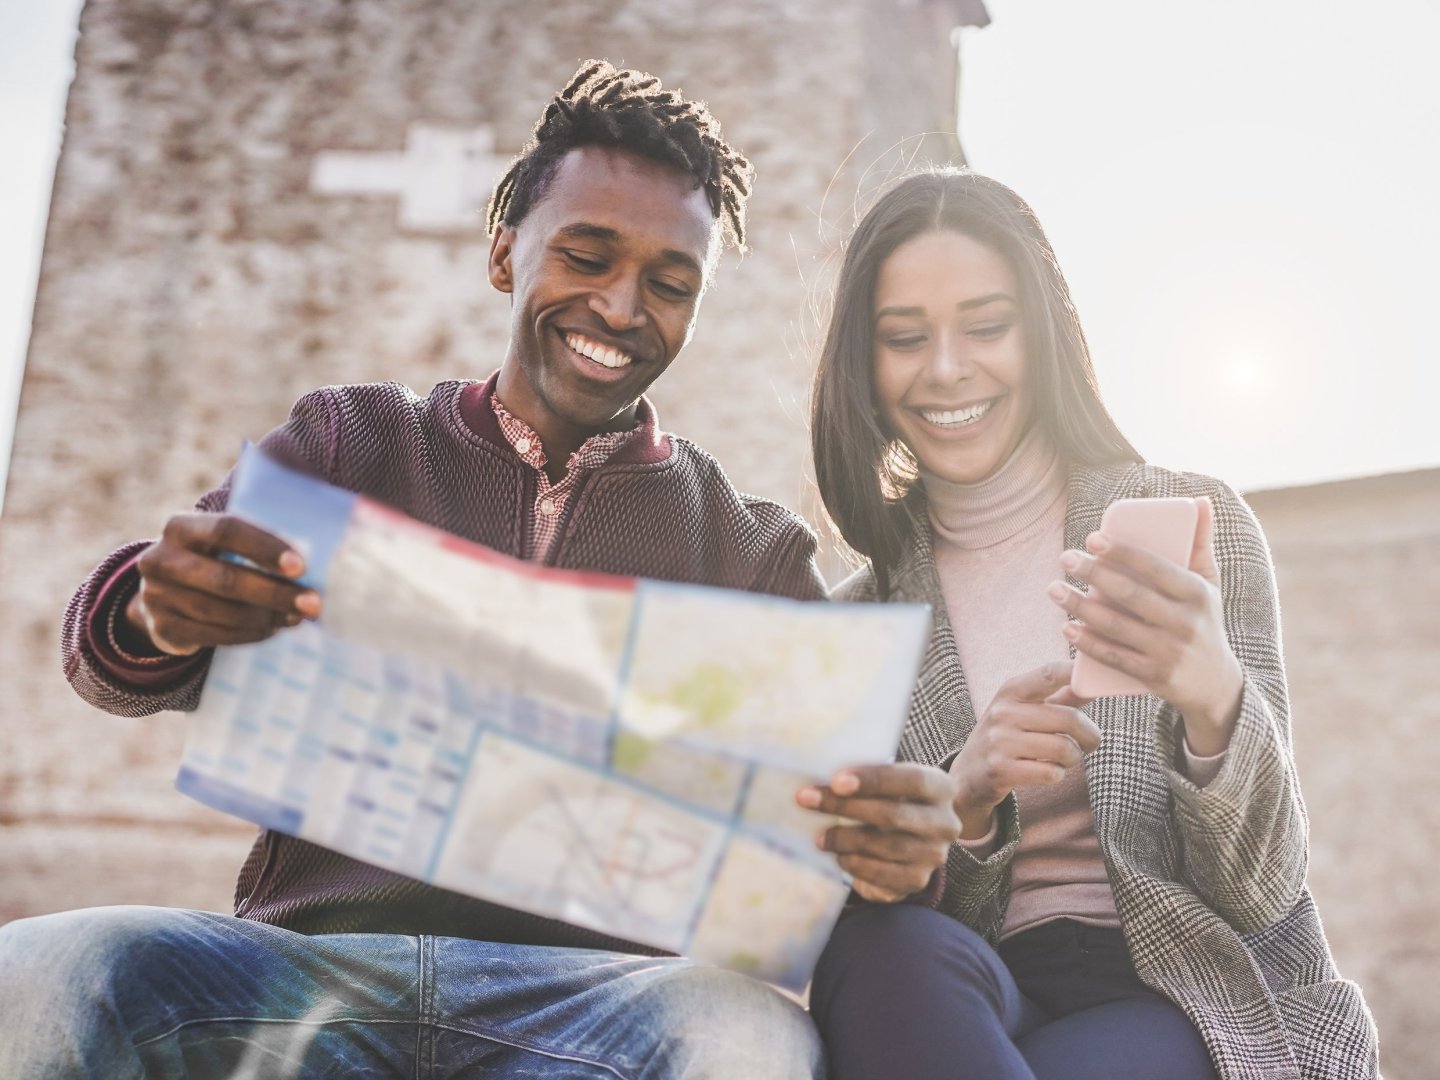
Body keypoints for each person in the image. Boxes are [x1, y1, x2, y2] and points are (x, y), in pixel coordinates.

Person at [0, 60, 961, 1079]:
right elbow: (116, 657)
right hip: (311, 965)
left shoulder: (751, 550)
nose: (624, 307)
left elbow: (842, 840)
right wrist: (161, 609)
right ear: (505, 254)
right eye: (586, 255)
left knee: (750, 1039)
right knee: (48, 972)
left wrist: (892, 850)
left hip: (591, 1005)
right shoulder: (351, 441)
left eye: (671, 284)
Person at [801, 169, 1380, 1079]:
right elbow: (860, 910)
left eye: (987, 327)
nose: (947, 368)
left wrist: (1212, 700)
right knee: (879, 951)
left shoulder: (1195, 522)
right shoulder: (856, 623)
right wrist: (969, 796)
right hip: (973, 987)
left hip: (1181, 989)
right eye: (905, 337)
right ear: (863, 367)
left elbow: (1262, 890)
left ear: (1042, 334)